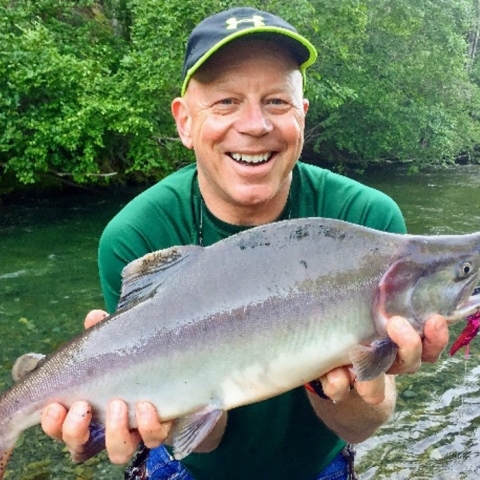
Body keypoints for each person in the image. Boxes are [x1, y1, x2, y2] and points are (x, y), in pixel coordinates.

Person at [40, 7, 449, 480]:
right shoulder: (134, 236)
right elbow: (204, 441)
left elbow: (361, 427)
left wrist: (340, 382)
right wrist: (150, 418)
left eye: (276, 101)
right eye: (226, 102)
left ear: (302, 115)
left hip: (318, 466)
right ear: (184, 121)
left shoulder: (366, 221)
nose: (255, 125)